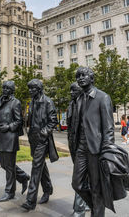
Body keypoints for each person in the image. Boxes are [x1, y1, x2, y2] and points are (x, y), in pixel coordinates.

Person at [72, 67, 115, 217]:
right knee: (76, 184)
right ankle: (97, 207)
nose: (81, 78)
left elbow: (109, 129)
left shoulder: (102, 97)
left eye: (84, 75)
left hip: (96, 149)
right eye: (78, 76)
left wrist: (107, 152)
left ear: (91, 78)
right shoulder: (79, 99)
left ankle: (97, 212)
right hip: (81, 148)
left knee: (96, 188)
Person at [21, 79, 59, 211]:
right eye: (29, 88)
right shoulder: (31, 102)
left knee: (36, 166)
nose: (30, 91)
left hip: (43, 139)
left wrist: (44, 132)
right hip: (33, 138)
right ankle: (48, 189)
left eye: (33, 88)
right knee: (40, 164)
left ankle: (30, 201)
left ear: (39, 89)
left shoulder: (48, 101)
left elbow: (54, 121)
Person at [0, 80, 30, 202]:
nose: (5, 90)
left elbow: (19, 121)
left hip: (10, 137)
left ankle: (10, 192)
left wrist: (8, 127)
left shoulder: (16, 103)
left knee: (9, 166)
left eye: (7, 88)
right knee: (4, 164)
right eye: (3, 87)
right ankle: (23, 177)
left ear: (12, 90)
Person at [67, 82, 89, 217]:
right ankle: (87, 202)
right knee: (84, 177)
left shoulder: (88, 104)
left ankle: (79, 209)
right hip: (74, 145)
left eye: (73, 90)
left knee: (78, 178)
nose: (71, 93)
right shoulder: (71, 105)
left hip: (86, 146)